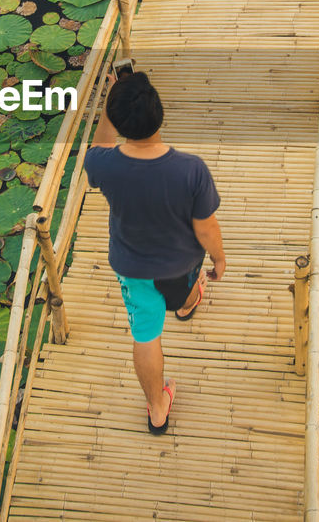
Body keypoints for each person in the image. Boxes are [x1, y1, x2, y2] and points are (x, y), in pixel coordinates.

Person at [83, 69, 226, 434]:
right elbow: (205, 227)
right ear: (160, 113)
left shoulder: (104, 165)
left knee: (145, 337)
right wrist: (220, 258)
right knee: (186, 290)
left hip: (133, 270)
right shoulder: (191, 170)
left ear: (117, 122)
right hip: (181, 265)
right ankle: (187, 303)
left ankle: (158, 408)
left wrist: (108, 109)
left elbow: (98, 146)